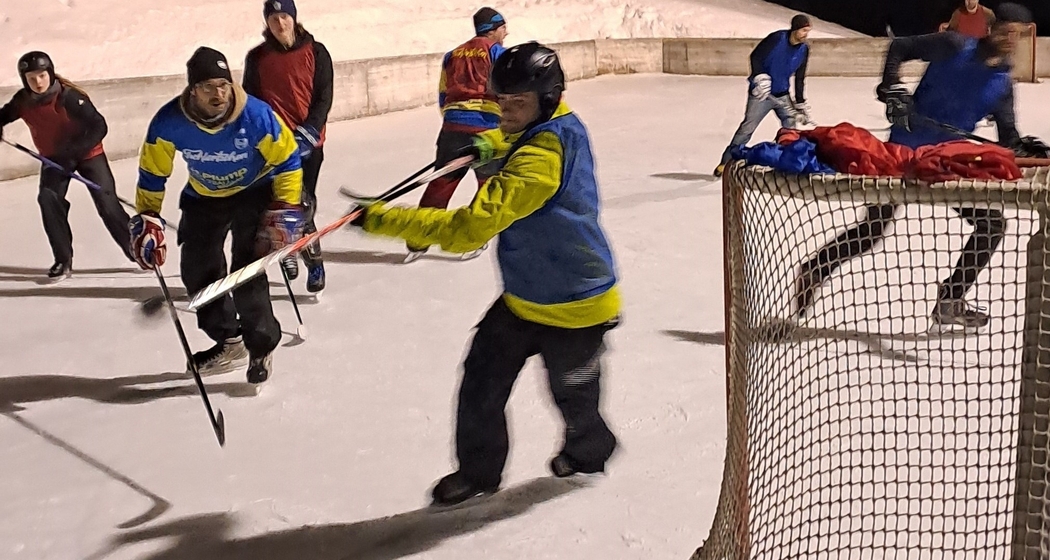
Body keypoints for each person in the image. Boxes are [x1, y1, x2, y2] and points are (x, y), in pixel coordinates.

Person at [352, 42, 621, 506]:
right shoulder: (550, 123)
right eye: (502, 103)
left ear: (548, 98)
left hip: (576, 301)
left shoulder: (542, 159)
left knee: (574, 398)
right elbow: (515, 137)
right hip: (523, 295)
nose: (507, 113)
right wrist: (485, 143)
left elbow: (469, 229)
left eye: (519, 105)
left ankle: (589, 451)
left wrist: (384, 219)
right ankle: (479, 471)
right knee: (481, 381)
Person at [793, 3, 1034, 332]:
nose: (1011, 40)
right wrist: (893, 89)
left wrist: (1026, 148)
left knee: (991, 225)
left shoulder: (1002, 84)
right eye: (1007, 32)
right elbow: (899, 48)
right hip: (903, 156)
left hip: (944, 164)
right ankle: (815, 270)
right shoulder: (953, 45)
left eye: (1018, 36)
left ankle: (950, 299)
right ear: (992, 30)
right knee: (873, 230)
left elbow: (1008, 140)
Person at [130, 46, 303, 384]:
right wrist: (148, 216)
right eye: (208, 86)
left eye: (223, 85)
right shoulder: (169, 122)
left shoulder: (255, 115)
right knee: (197, 272)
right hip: (204, 195)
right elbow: (152, 172)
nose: (218, 94)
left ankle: (261, 345)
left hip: (253, 190)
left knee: (246, 269)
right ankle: (230, 341)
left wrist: (285, 208)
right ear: (192, 89)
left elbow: (288, 161)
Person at [0, 51, 133, 279]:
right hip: (55, 158)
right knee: (48, 199)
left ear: (50, 73)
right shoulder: (23, 100)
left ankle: (136, 249)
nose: (38, 82)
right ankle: (63, 260)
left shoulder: (69, 97)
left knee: (107, 204)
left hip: (88, 155)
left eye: (42, 76)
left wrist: (75, 150)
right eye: (31, 78)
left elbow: (99, 126)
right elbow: (4, 115)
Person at [402, 6, 509, 263]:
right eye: (504, 27)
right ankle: (471, 236)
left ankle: (418, 239)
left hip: (452, 128)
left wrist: (453, 122)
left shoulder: (452, 55)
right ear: (493, 29)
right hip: (486, 128)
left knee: (441, 184)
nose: (507, 33)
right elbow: (508, 92)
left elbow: (442, 94)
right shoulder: (498, 53)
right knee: (489, 186)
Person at [244, 0, 333, 294]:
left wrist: (308, 132)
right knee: (278, 205)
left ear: (293, 19)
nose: (279, 23)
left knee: (302, 206)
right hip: (274, 146)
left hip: (308, 145)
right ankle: (288, 253)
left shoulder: (316, 52)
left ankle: (314, 260)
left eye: (284, 17)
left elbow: (323, 97)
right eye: (273, 19)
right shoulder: (256, 58)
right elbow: (251, 102)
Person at [715, 14, 812, 178]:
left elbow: (800, 77)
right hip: (761, 95)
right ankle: (726, 163)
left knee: (791, 129)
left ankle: (790, 164)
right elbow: (755, 57)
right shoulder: (777, 39)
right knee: (747, 128)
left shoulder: (804, 49)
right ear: (795, 29)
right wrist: (759, 76)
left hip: (782, 95)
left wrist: (800, 101)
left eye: (807, 31)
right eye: (803, 30)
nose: (805, 34)